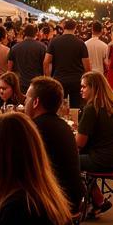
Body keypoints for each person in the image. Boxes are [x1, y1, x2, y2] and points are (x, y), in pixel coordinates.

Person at [25, 76, 84, 215]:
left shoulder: (35, 129)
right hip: (73, 200)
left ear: (35, 102)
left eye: (27, 98)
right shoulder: (64, 126)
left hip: (54, 206)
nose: (24, 102)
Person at [77, 71, 113, 217]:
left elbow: (79, 143)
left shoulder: (92, 108)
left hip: (104, 161)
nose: (81, 89)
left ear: (94, 88)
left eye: (84, 86)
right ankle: (98, 200)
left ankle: (76, 205)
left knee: (63, 162)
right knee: (78, 160)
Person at [46, 18, 90, 107]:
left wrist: (48, 79)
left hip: (59, 79)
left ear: (63, 27)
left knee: (59, 105)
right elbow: (87, 66)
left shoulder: (54, 41)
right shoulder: (80, 43)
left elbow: (46, 62)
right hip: (76, 80)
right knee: (76, 106)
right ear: (75, 28)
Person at [7, 23, 47, 92]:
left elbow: (9, 69)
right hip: (37, 83)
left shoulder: (14, 48)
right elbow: (45, 66)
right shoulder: (42, 47)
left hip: (20, 83)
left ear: (24, 33)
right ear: (35, 33)